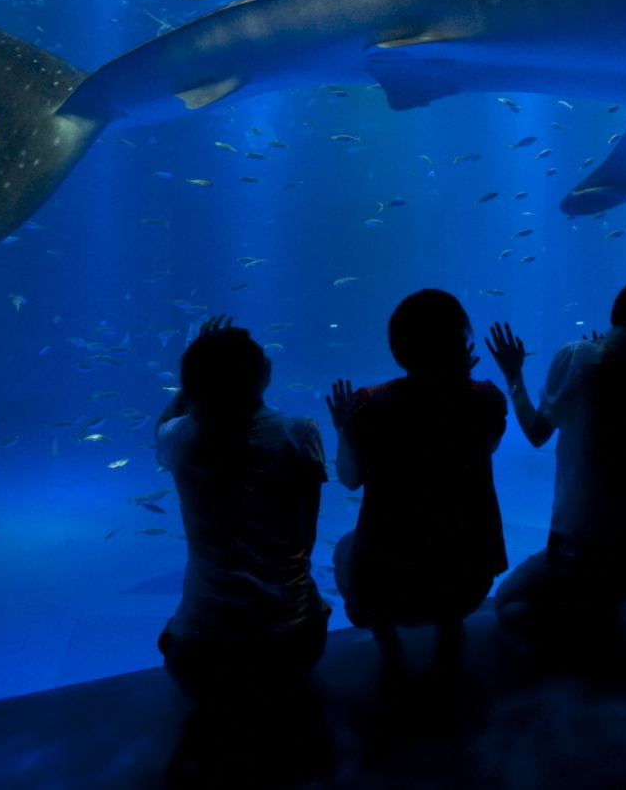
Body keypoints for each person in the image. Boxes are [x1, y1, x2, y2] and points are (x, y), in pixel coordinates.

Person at [487, 275, 626, 652]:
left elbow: (536, 433)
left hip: (585, 545)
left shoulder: (578, 358)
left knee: (508, 605)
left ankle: (590, 625)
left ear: (618, 311)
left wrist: (513, 375)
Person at [325, 290, 508, 689]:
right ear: (462, 342)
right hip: (466, 581)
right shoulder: (487, 399)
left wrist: (344, 429)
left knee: (343, 549)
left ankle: (389, 647)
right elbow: (487, 448)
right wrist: (461, 383)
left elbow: (350, 479)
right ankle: (448, 632)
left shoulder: (368, 405)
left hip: (387, 587)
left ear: (398, 349)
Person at [155, 314, 331, 705]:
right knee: (316, 600)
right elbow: (307, 530)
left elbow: (163, 424)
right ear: (259, 373)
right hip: (292, 648)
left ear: (192, 382)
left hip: (199, 662)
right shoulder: (297, 431)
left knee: (173, 633)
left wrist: (196, 370)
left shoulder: (180, 439)